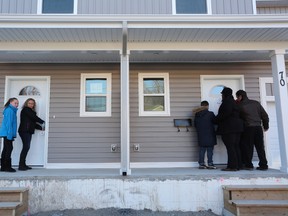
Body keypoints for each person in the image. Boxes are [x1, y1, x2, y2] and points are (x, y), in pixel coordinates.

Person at [236, 90, 269, 171]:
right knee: (260, 147)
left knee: (248, 147)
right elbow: (265, 115)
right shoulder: (256, 103)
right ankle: (263, 165)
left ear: (240, 96)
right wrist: (265, 126)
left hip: (248, 128)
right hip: (258, 127)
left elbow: (238, 118)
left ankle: (249, 165)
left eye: (237, 97)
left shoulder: (240, 106)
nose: (237, 99)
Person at [214, 87, 243, 171]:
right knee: (235, 146)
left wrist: (214, 120)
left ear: (225, 94)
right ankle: (238, 165)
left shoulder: (227, 102)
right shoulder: (234, 102)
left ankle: (232, 166)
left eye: (222, 94)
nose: (221, 95)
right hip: (237, 128)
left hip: (229, 128)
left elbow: (224, 115)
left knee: (231, 147)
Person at [18, 98, 45, 171]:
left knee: (26, 147)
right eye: (29, 103)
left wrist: (41, 128)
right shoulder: (26, 110)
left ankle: (23, 164)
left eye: (32, 103)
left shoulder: (31, 112)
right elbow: (34, 118)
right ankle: (21, 165)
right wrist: (43, 122)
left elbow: (32, 122)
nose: (31, 105)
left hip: (28, 131)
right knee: (26, 147)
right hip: (24, 131)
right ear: (26, 103)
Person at [193, 101, 217, 169]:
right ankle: (210, 163)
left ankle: (201, 164)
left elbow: (195, 125)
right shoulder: (210, 114)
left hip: (201, 134)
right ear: (207, 106)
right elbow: (215, 122)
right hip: (210, 134)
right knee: (210, 150)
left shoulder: (197, 115)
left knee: (202, 150)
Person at [0, 97, 19, 172]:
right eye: (15, 103)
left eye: (17, 103)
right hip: (8, 133)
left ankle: (3, 167)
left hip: (7, 133)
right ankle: (7, 167)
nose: (17, 105)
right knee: (9, 149)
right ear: (11, 102)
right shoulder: (10, 110)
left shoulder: (10, 110)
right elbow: (9, 124)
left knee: (5, 149)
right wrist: (9, 135)